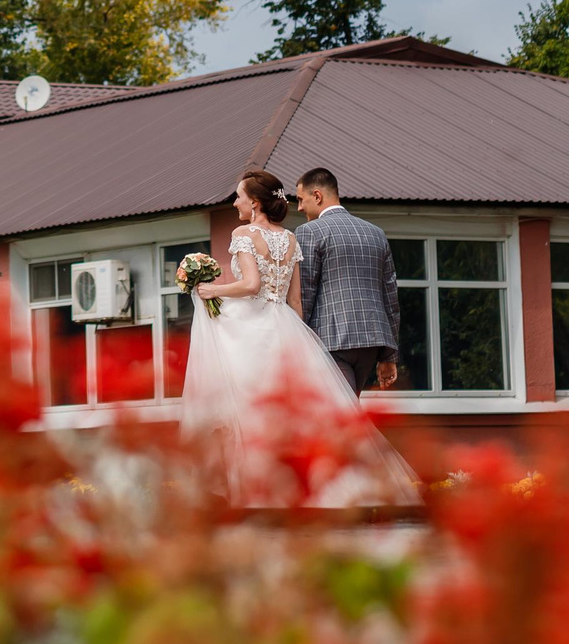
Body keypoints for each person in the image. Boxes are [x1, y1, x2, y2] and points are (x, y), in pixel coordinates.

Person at [178, 170, 417, 508]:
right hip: (300, 328)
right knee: (314, 415)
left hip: (269, 330)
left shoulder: (252, 233)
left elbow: (252, 286)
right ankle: (330, 486)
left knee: (253, 410)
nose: (235, 202)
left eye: (239, 196)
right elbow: (298, 302)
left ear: (255, 202)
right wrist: (303, 342)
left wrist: (209, 290)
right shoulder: (295, 238)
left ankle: (262, 493)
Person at [293, 167, 400, 394]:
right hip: (372, 340)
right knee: (345, 413)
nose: (299, 207)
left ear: (317, 196)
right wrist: (389, 355)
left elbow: (305, 293)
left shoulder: (309, 232)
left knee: (343, 419)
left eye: (301, 200)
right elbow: (390, 296)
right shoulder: (376, 233)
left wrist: (297, 344)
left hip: (330, 340)